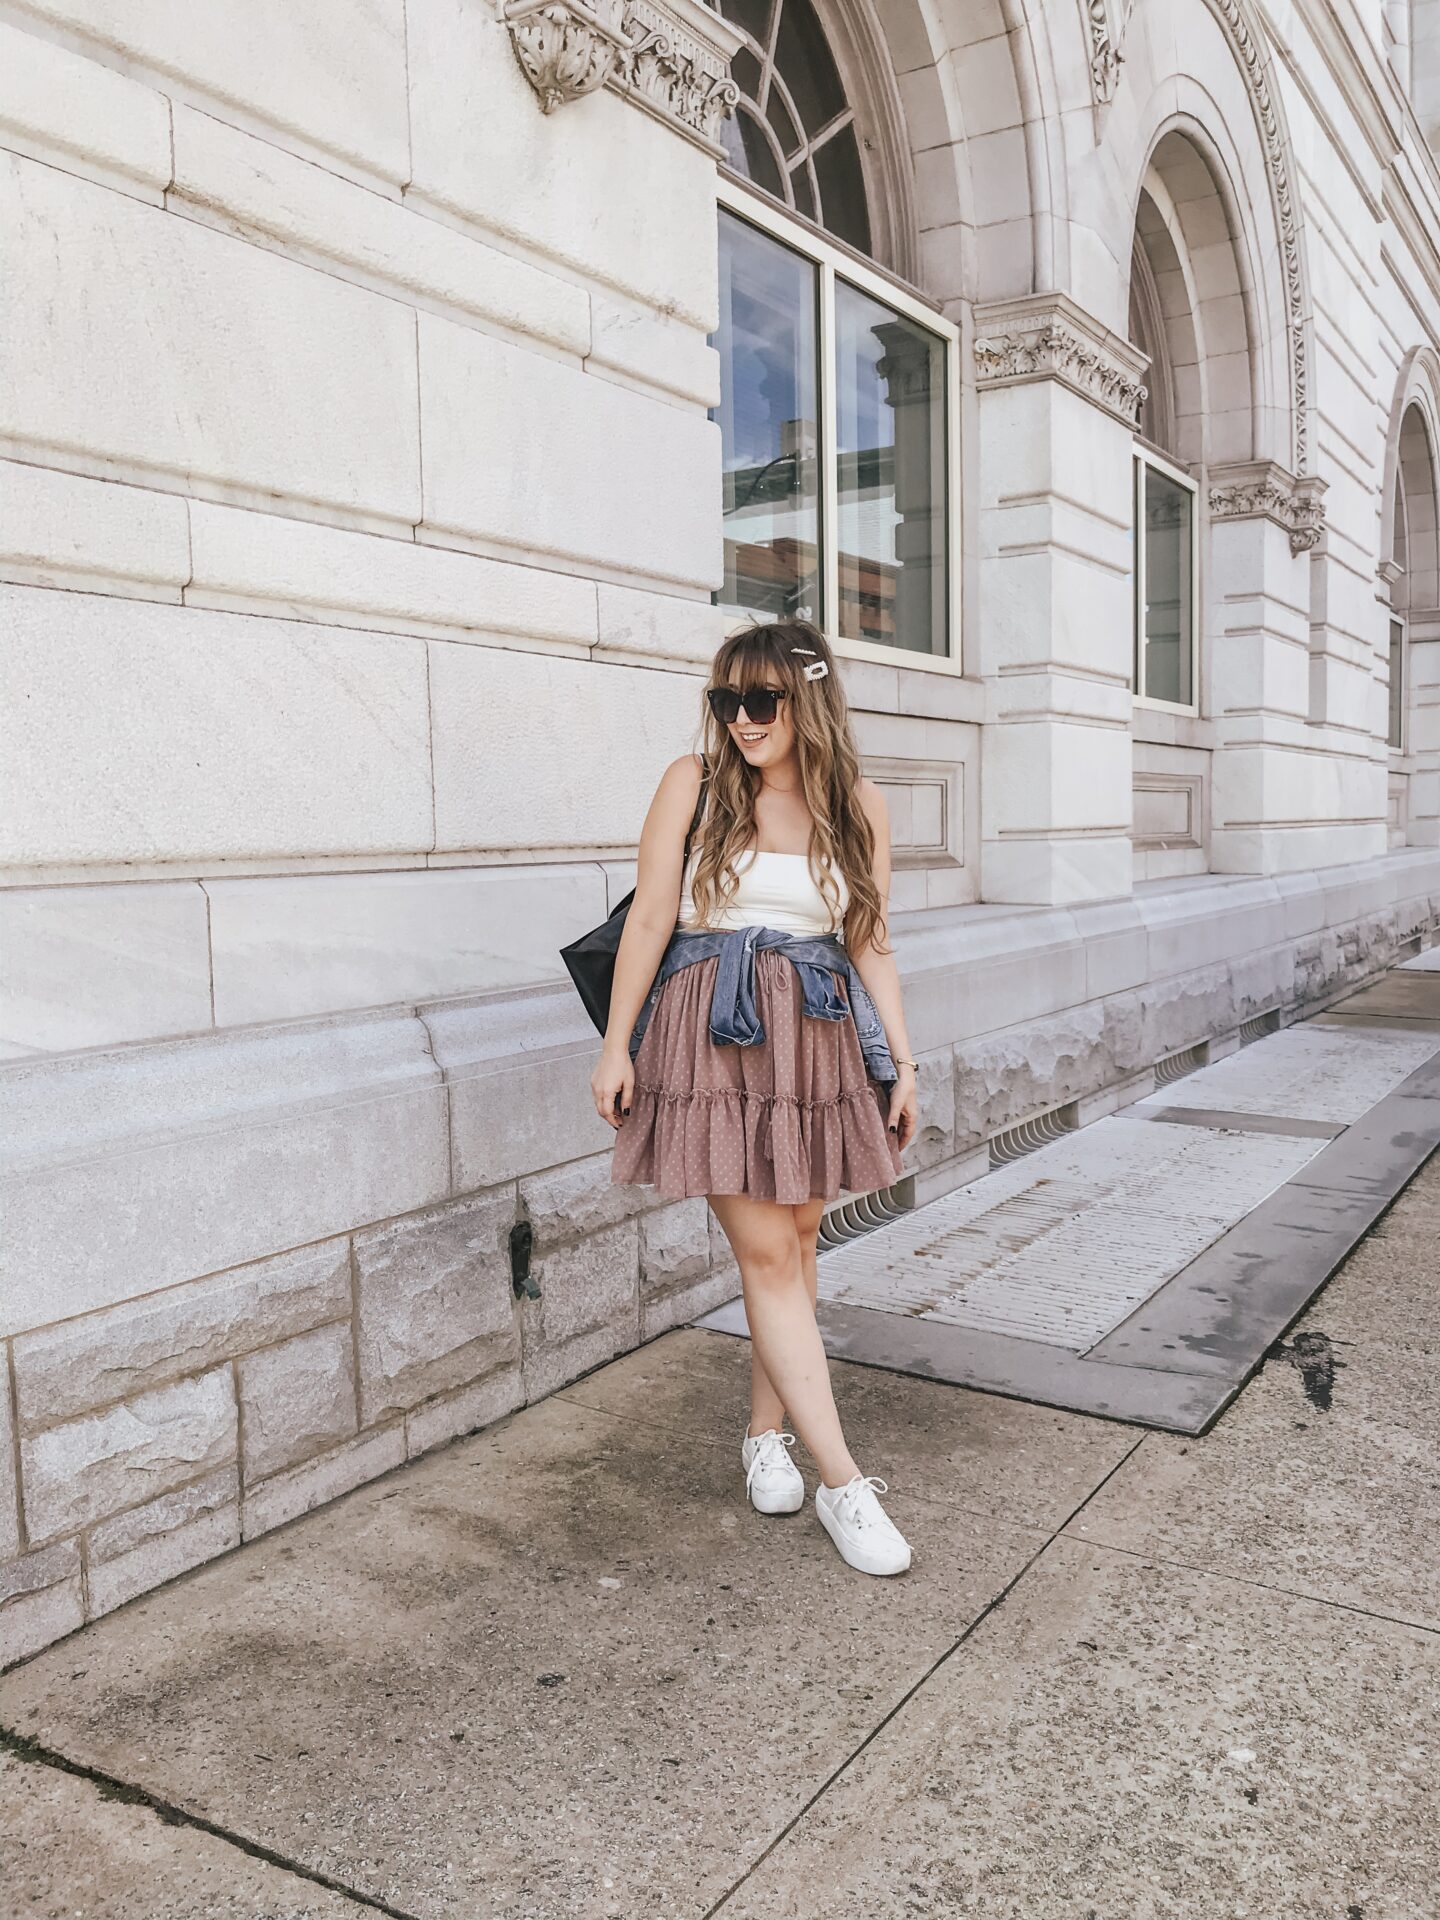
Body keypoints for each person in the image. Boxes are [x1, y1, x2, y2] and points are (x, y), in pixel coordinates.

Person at [591, 618, 921, 1577]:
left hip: (815, 1042)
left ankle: (762, 1435)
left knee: (801, 1241)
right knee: (770, 1252)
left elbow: (871, 941)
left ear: (807, 702)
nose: (742, 719)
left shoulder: (857, 806)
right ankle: (843, 1482)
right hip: (713, 1036)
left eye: (762, 700)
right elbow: (652, 916)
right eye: (726, 700)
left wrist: (903, 1060)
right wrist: (617, 1047)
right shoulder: (691, 786)